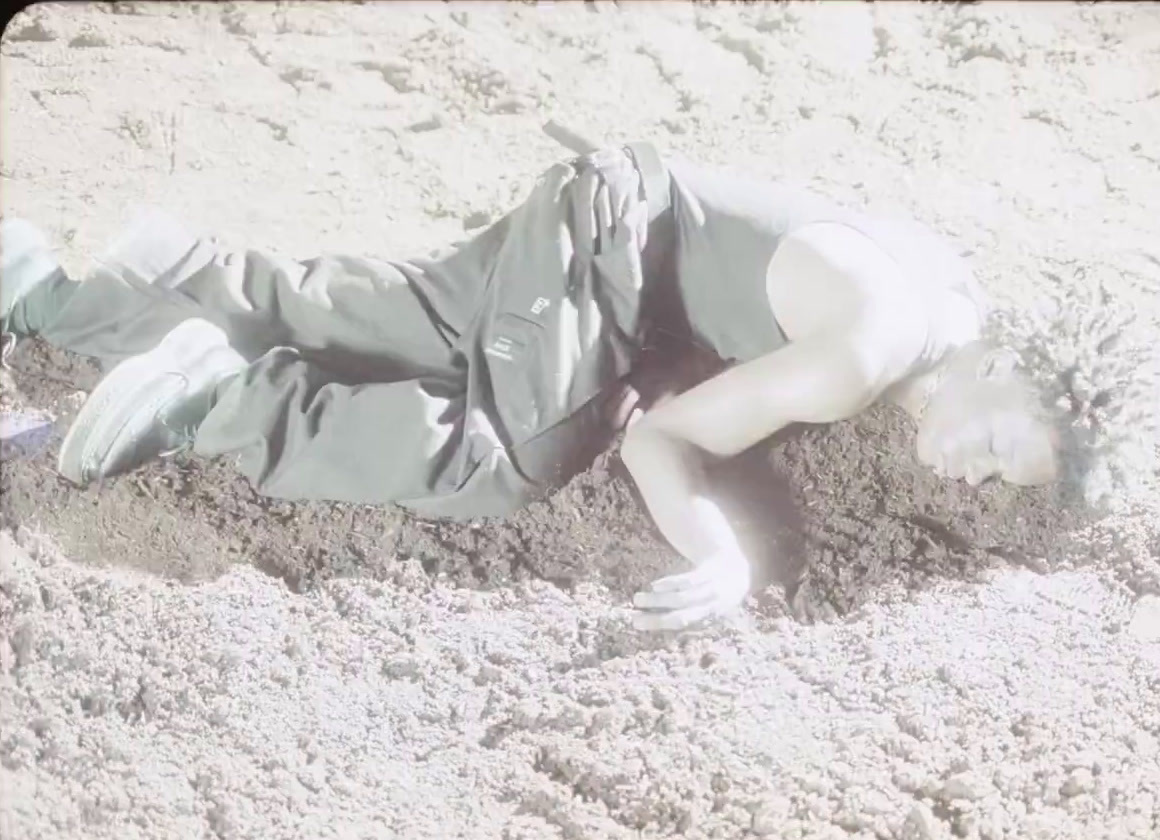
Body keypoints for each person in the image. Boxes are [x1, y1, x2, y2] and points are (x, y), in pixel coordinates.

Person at [0, 135, 1060, 631]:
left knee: (379, 319)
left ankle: (42, 289)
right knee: (506, 455)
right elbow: (663, 440)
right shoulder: (860, 362)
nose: (978, 476)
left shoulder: (954, 296)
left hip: (615, 202)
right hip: (611, 252)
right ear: (1009, 364)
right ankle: (214, 402)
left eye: (1004, 481)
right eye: (1004, 443)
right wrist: (722, 553)